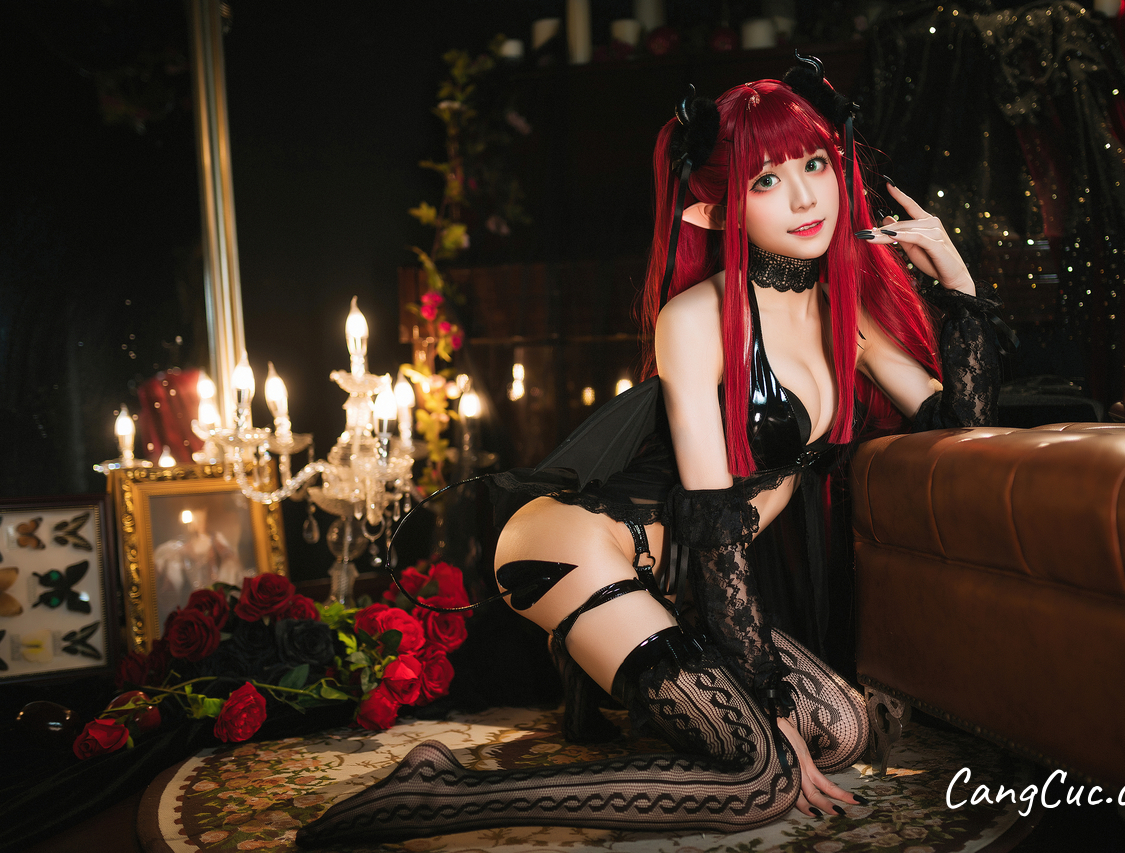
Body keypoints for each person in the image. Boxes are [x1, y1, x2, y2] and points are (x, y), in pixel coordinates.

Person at [297, 57, 1001, 847]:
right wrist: (769, 709)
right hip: (578, 546)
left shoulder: (846, 315)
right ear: (714, 210)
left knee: (840, 731)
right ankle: (439, 790)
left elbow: (960, 431)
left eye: (814, 164)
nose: (806, 197)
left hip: (679, 584)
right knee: (767, 776)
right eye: (767, 180)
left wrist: (958, 280)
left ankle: (640, 690)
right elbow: (714, 525)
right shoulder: (695, 319)